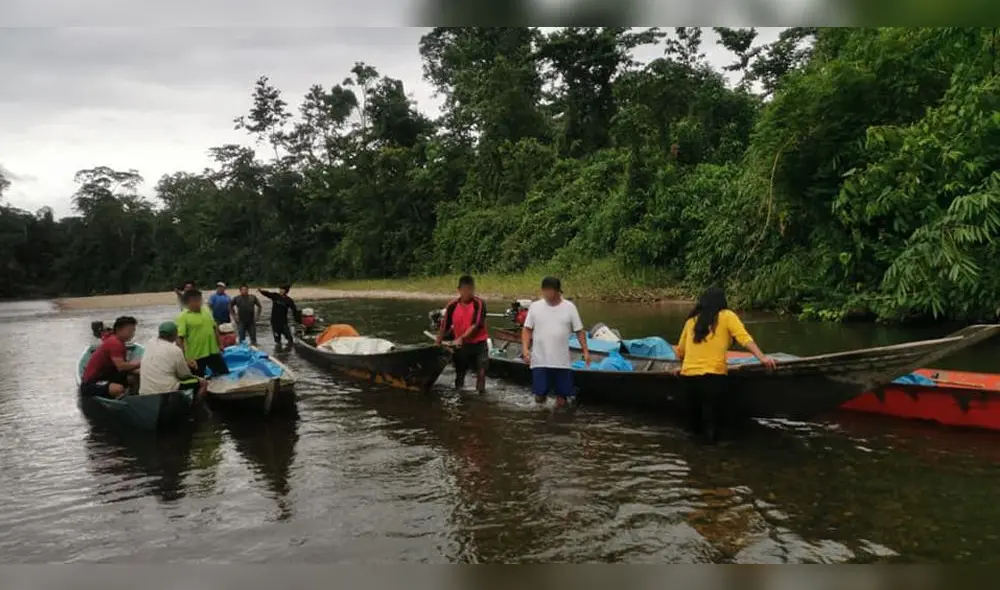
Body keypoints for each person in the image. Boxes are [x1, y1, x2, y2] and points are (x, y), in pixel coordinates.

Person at [674, 287, 777, 443]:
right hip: (712, 378)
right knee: (712, 426)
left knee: (693, 427)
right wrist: (762, 358)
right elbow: (744, 338)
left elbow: (681, 351)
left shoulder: (691, 321)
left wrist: (681, 367)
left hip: (688, 378)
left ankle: (693, 461)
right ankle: (713, 459)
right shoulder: (727, 316)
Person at [521, 277, 589, 407]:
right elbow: (527, 329)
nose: (546, 294)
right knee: (540, 395)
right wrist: (525, 349)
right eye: (544, 291)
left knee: (562, 397)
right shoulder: (535, 307)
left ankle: (559, 421)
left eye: (549, 291)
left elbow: (579, 331)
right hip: (540, 360)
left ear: (558, 291)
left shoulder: (569, 307)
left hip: (561, 361)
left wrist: (585, 351)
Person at [436, 275, 489, 392]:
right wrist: (438, 342)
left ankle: (481, 395)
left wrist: (462, 337)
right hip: (461, 346)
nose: (467, 293)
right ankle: (460, 394)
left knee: (481, 372)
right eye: (464, 290)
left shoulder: (479, 304)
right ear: (459, 290)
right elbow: (444, 326)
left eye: (470, 289)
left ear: (473, 289)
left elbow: (475, 325)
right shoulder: (452, 305)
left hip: (479, 344)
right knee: (460, 374)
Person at [139, 321, 208, 398]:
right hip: (166, 391)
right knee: (203, 382)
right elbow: (184, 375)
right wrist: (197, 377)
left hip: (145, 392)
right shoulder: (175, 350)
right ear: (175, 335)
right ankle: (195, 406)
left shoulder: (150, 342)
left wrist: (185, 362)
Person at [80, 316, 141, 398]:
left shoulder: (115, 340)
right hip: (91, 383)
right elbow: (121, 367)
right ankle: (124, 399)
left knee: (135, 376)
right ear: (119, 330)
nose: (132, 334)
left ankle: (132, 397)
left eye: (133, 331)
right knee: (118, 389)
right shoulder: (115, 343)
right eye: (130, 331)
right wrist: (139, 364)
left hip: (107, 375)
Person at [176, 289, 229, 376]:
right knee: (198, 381)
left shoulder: (206, 311)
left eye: (199, 300)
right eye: (195, 300)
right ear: (188, 302)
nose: (198, 303)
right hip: (195, 356)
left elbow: (214, 328)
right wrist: (185, 358)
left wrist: (220, 344)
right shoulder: (182, 317)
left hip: (213, 351)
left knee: (224, 375)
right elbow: (179, 339)